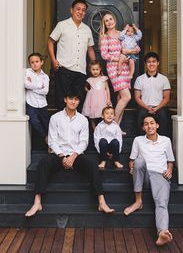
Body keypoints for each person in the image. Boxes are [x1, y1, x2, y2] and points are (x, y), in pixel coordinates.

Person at [25, 90, 115, 218]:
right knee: (43, 164)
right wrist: (62, 156)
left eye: (76, 99)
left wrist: (73, 156)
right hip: (58, 154)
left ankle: (101, 201)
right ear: (65, 100)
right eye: (71, 98)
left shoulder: (83, 120)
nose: (73, 101)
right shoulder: (55, 118)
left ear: (79, 102)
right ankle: (37, 202)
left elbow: (84, 142)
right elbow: (52, 140)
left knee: (92, 165)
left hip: (76, 155)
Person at [124, 114, 175, 246]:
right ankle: (138, 201)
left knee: (162, 202)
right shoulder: (138, 140)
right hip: (145, 174)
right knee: (139, 161)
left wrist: (169, 170)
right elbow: (132, 160)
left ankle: (163, 232)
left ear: (157, 125)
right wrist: (132, 168)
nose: (149, 126)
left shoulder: (166, 140)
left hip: (160, 174)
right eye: (146, 124)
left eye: (152, 123)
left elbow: (170, 161)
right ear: (143, 128)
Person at [47, 0, 96, 111]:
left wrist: (95, 67)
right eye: (78, 9)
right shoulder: (62, 25)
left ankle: (75, 127)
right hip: (64, 69)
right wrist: (54, 60)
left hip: (81, 71)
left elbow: (90, 49)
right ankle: (62, 127)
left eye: (83, 10)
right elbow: (50, 41)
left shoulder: (87, 29)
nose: (81, 12)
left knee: (78, 100)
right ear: (71, 10)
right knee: (62, 100)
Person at [100, 13, 138, 127]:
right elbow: (104, 55)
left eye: (110, 19)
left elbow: (132, 46)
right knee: (127, 96)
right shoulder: (105, 36)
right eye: (106, 21)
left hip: (126, 67)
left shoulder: (123, 34)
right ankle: (111, 125)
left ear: (114, 20)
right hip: (114, 68)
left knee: (121, 97)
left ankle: (117, 128)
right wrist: (119, 58)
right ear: (104, 24)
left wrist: (131, 52)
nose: (109, 22)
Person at [134, 51, 172, 137]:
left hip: (159, 107)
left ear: (158, 63)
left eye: (154, 61)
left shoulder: (164, 79)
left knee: (164, 116)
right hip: (144, 107)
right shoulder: (140, 79)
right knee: (140, 115)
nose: (151, 64)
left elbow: (166, 98)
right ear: (145, 63)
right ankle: (142, 143)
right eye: (149, 61)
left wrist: (156, 108)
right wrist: (147, 107)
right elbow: (137, 97)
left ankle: (162, 145)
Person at [24, 52, 50, 146]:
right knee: (34, 122)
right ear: (29, 64)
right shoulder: (27, 72)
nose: (35, 64)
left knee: (46, 123)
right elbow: (26, 84)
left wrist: (32, 87)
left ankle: (51, 144)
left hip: (43, 104)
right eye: (32, 62)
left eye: (37, 61)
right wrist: (39, 86)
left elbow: (45, 91)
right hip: (31, 103)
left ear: (41, 62)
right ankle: (45, 137)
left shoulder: (45, 76)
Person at [82, 60, 111, 130]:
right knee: (92, 113)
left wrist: (108, 99)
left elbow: (107, 89)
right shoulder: (90, 79)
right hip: (92, 99)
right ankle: (94, 128)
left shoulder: (103, 78)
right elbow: (85, 87)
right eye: (93, 69)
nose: (95, 71)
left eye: (97, 69)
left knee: (103, 112)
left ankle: (104, 127)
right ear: (90, 70)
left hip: (102, 98)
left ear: (100, 69)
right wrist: (90, 91)